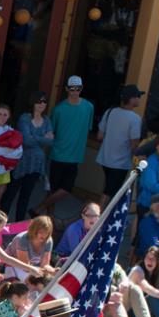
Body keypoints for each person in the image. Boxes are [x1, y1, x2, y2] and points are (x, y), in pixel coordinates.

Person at [37, 76, 96, 216]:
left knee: (66, 188)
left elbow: (87, 129)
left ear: (81, 89)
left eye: (78, 88)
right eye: (72, 88)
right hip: (58, 154)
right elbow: (51, 132)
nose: (75, 91)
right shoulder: (58, 109)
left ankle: (39, 208)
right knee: (52, 189)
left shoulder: (89, 107)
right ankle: (49, 220)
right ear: (66, 89)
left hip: (75, 155)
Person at [3, 92, 54, 222]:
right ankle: (0, 223)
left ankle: (18, 224)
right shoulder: (25, 118)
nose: (42, 104)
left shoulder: (47, 120)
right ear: (33, 102)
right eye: (39, 101)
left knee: (26, 195)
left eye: (44, 101)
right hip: (22, 161)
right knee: (11, 193)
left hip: (36, 164)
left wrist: (34, 137)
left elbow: (51, 141)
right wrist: (42, 139)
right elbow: (25, 140)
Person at [94, 86, 144, 204]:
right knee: (109, 192)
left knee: (108, 188)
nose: (139, 99)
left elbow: (99, 136)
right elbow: (134, 144)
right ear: (131, 99)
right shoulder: (135, 119)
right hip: (120, 162)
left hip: (105, 159)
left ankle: (102, 216)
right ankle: (96, 218)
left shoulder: (109, 112)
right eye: (138, 96)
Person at [6, 216, 55, 282]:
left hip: (33, 267)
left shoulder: (48, 241)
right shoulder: (22, 239)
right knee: (27, 284)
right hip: (15, 265)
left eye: (46, 232)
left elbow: (45, 264)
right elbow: (25, 266)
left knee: (48, 281)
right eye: (41, 232)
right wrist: (41, 272)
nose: (44, 235)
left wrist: (52, 270)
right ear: (34, 230)